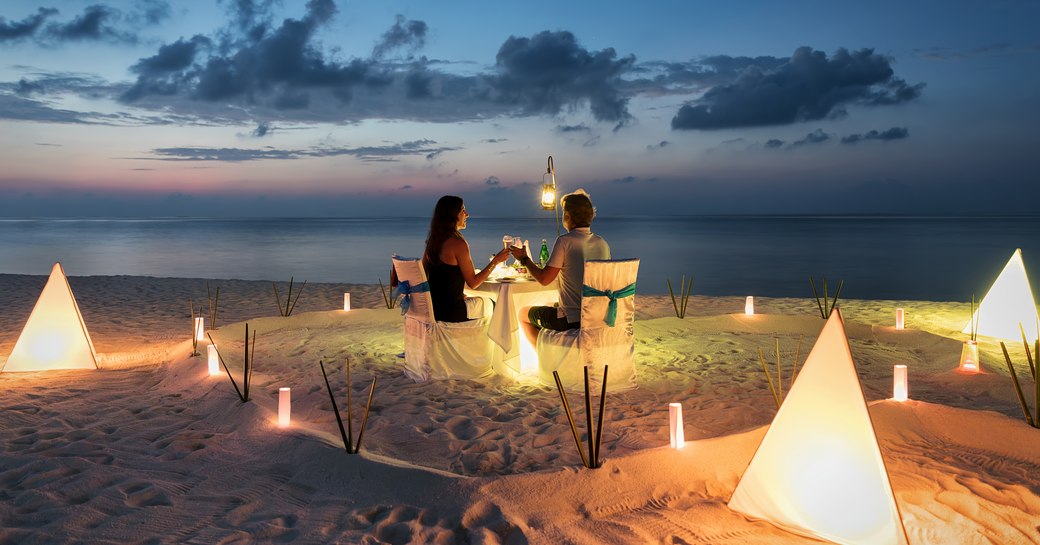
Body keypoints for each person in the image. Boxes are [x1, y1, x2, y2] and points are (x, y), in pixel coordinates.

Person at [510, 188, 610, 344]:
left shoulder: (565, 241)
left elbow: (544, 279)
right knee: (550, 304)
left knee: (523, 314)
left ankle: (545, 360)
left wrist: (524, 259)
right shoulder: (602, 243)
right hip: (598, 318)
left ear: (567, 216)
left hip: (572, 320)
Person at [423, 195, 511, 322]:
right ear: (452, 215)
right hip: (452, 311)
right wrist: (496, 261)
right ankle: (494, 341)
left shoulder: (433, 241)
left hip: (434, 309)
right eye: (463, 210)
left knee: (478, 300)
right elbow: (473, 283)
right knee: (496, 305)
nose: (467, 214)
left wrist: (452, 294)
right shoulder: (458, 243)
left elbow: (424, 274)